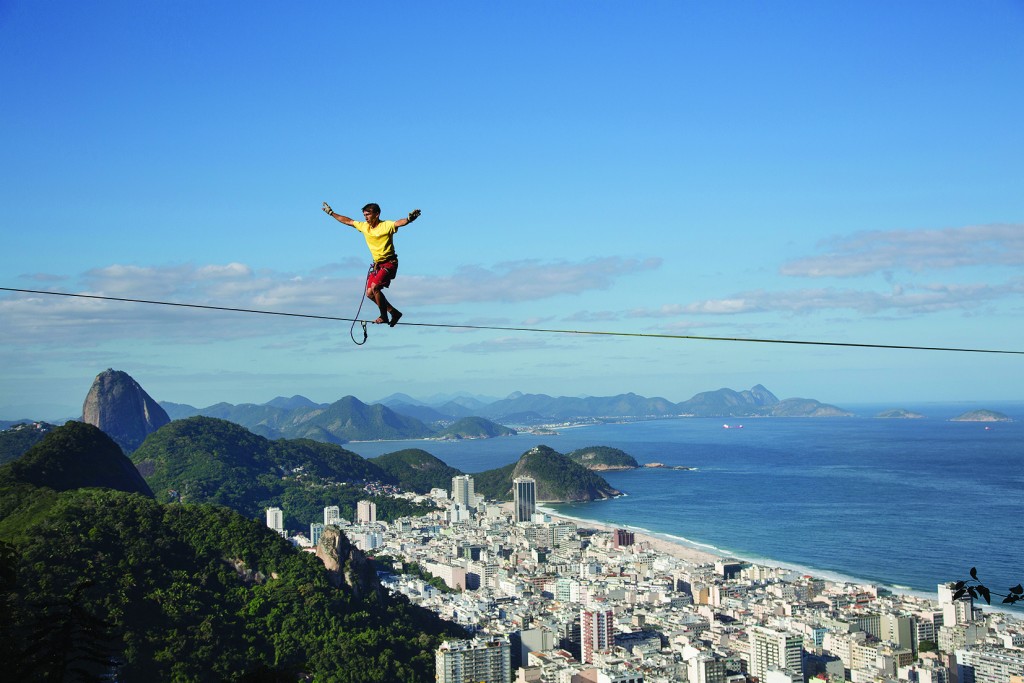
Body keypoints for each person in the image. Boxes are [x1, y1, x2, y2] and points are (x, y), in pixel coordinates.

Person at [322, 201, 421, 326]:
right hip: (377, 265)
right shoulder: (365, 227)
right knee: (369, 293)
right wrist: (331, 213)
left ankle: (384, 316)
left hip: (390, 263)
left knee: (375, 287)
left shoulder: (386, 225)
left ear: (377, 214)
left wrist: (409, 219)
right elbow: (348, 221)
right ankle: (394, 312)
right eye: (364, 215)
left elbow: (398, 223)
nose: (366, 218)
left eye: (368, 215)